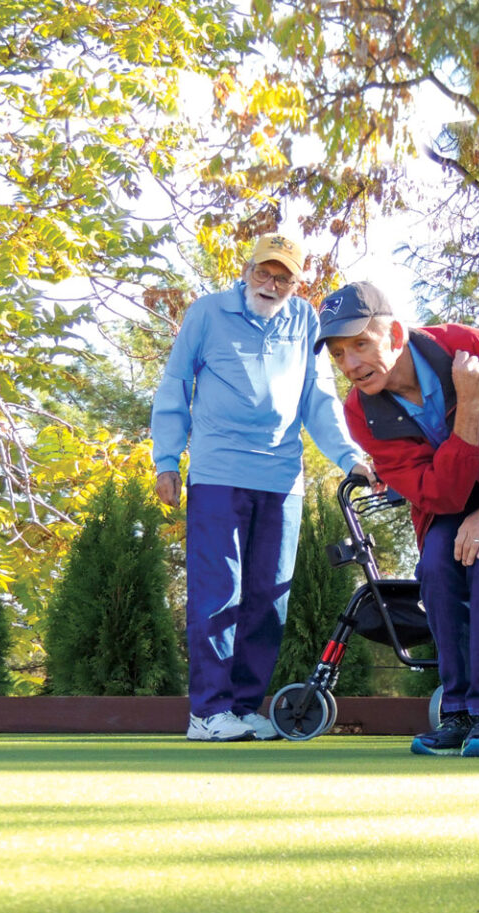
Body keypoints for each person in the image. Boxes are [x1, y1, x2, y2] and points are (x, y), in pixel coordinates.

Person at [316, 281, 479, 757]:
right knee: (437, 569)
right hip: (449, 497)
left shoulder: (471, 348)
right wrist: (471, 407)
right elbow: (441, 493)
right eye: (338, 354)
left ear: (394, 334)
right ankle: (457, 714)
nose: (350, 364)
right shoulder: (361, 413)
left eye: (360, 344)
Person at [151, 233, 370, 743]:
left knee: (269, 599)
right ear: (246, 271)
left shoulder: (305, 320)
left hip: (281, 478)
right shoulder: (207, 313)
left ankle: (243, 707)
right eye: (263, 273)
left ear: (298, 284)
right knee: (217, 593)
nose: (271, 285)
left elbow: (318, 395)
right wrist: (167, 460)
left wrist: (348, 456)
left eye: (283, 278)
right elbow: (175, 384)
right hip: (218, 473)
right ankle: (207, 712)